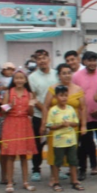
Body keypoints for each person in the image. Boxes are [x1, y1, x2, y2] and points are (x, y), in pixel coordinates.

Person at [0, 69, 39, 193]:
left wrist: (32, 106)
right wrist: (9, 105)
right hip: (11, 123)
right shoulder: (8, 92)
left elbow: (31, 113)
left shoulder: (29, 94)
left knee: (23, 155)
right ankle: (10, 182)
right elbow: (2, 111)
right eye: (16, 78)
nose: (19, 80)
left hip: (24, 124)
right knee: (10, 155)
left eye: (21, 78)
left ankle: (25, 182)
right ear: (13, 80)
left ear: (25, 80)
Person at [41, 63, 86, 157]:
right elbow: (45, 106)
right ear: (59, 75)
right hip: (55, 127)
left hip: (72, 127)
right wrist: (44, 123)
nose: (67, 75)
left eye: (69, 73)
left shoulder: (78, 89)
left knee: (71, 154)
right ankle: (56, 171)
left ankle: (71, 171)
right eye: (64, 73)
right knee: (54, 155)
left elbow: (83, 107)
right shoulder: (53, 89)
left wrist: (83, 126)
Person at [27, 49, 58, 182]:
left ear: (49, 59)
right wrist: (45, 108)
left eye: (44, 58)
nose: (42, 61)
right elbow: (33, 98)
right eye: (39, 59)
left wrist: (52, 109)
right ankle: (36, 169)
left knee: (56, 143)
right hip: (39, 115)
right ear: (36, 61)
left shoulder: (57, 74)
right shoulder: (32, 77)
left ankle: (57, 169)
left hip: (56, 114)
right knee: (37, 144)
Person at [46, 85, 84, 192]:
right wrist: (60, 125)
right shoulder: (53, 110)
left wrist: (69, 124)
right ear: (56, 97)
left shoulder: (71, 109)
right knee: (57, 162)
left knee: (73, 161)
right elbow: (49, 125)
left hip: (71, 140)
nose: (64, 98)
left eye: (66, 95)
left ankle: (75, 181)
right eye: (61, 95)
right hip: (58, 141)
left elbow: (76, 123)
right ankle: (56, 182)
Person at [73, 51, 97, 177]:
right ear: (84, 62)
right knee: (84, 145)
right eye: (89, 60)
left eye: (94, 60)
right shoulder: (76, 76)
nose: (92, 63)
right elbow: (74, 96)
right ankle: (82, 169)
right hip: (84, 117)